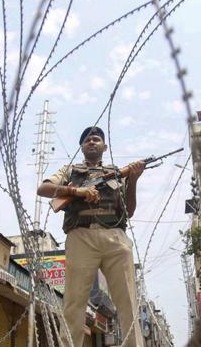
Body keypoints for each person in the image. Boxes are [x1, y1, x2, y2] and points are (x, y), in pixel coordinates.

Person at [37, 126, 145, 347]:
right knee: (74, 302)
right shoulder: (70, 170)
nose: (92, 142)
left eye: (97, 139)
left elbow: (129, 211)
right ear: (82, 147)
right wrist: (78, 191)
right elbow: (44, 188)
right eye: (88, 140)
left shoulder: (116, 173)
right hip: (81, 236)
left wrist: (133, 179)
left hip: (115, 237)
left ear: (105, 146)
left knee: (128, 302)